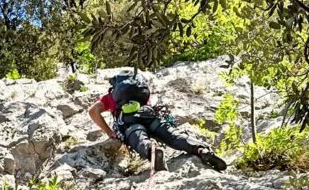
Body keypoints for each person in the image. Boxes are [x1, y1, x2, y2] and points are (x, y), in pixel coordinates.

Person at [88, 73, 227, 173]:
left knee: (138, 137)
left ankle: (152, 151)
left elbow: (93, 111)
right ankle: (201, 149)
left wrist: (109, 132)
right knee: (173, 136)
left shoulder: (111, 97)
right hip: (149, 116)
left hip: (129, 123)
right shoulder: (140, 93)